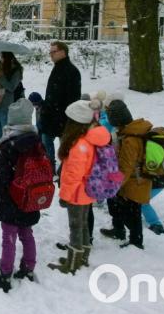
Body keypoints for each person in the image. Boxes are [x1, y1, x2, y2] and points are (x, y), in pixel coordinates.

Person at [47, 100, 109, 275]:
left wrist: (64, 196)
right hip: (87, 191)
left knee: (76, 226)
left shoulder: (79, 146)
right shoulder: (88, 139)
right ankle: (82, 258)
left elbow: (73, 176)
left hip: (77, 193)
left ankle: (73, 263)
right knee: (83, 225)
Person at [0, 99, 45, 292]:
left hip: (11, 198)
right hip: (30, 197)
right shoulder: (37, 142)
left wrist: (0, 200)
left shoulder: (8, 146)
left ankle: (5, 271)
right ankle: (29, 266)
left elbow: (1, 178)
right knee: (26, 233)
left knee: (9, 237)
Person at [100, 100, 153, 249]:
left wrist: (113, 185)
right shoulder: (128, 132)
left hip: (135, 182)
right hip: (130, 180)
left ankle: (136, 242)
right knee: (116, 205)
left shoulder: (131, 139)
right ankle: (118, 230)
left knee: (132, 213)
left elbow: (126, 167)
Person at [40, 41, 81, 174]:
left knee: (66, 146)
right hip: (50, 115)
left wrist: (68, 117)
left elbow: (73, 98)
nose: (51, 55)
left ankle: (64, 170)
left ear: (63, 52)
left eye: (54, 52)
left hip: (64, 117)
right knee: (46, 141)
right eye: (50, 52)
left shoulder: (72, 71)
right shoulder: (57, 67)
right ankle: (49, 168)